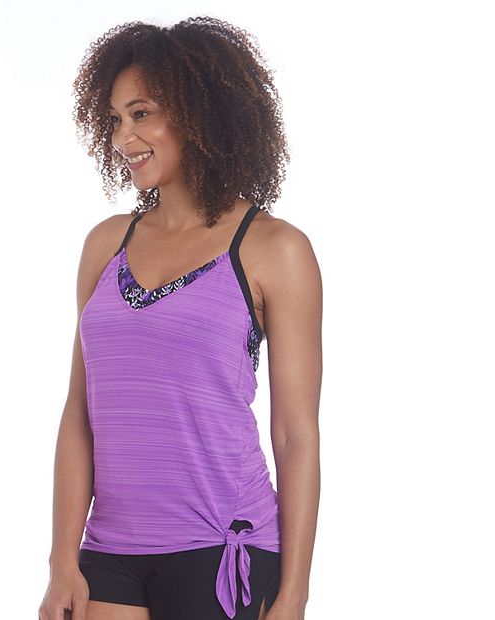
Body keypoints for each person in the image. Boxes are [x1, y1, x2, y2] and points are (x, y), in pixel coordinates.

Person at [39, 16, 322, 620]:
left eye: (141, 114)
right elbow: (79, 413)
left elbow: (295, 435)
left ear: (199, 113)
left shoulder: (274, 249)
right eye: (115, 119)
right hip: (110, 551)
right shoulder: (106, 245)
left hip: (223, 546)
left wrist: (294, 596)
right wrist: (63, 560)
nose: (124, 136)